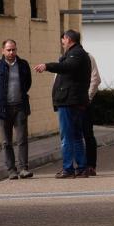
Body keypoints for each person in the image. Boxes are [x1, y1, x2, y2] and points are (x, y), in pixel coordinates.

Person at [34, 29, 91, 178]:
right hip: (73, 100)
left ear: (68, 39)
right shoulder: (77, 53)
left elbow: (66, 67)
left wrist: (47, 66)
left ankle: (68, 168)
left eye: (63, 40)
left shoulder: (76, 54)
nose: (63, 43)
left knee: (67, 137)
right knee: (77, 136)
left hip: (69, 101)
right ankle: (82, 167)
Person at [0, 39, 33, 179]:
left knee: (22, 139)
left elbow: (27, 83)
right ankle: (11, 170)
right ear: (3, 51)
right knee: (6, 141)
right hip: (2, 110)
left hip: (20, 107)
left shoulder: (23, 65)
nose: (11, 52)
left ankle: (24, 168)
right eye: (8, 50)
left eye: (13, 50)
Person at [82, 52, 101, 176]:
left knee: (88, 134)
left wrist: (88, 97)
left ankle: (90, 165)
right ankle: (75, 166)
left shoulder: (88, 57)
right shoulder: (63, 59)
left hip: (84, 103)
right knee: (71, 136)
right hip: (69, 104)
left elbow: (96, 79)